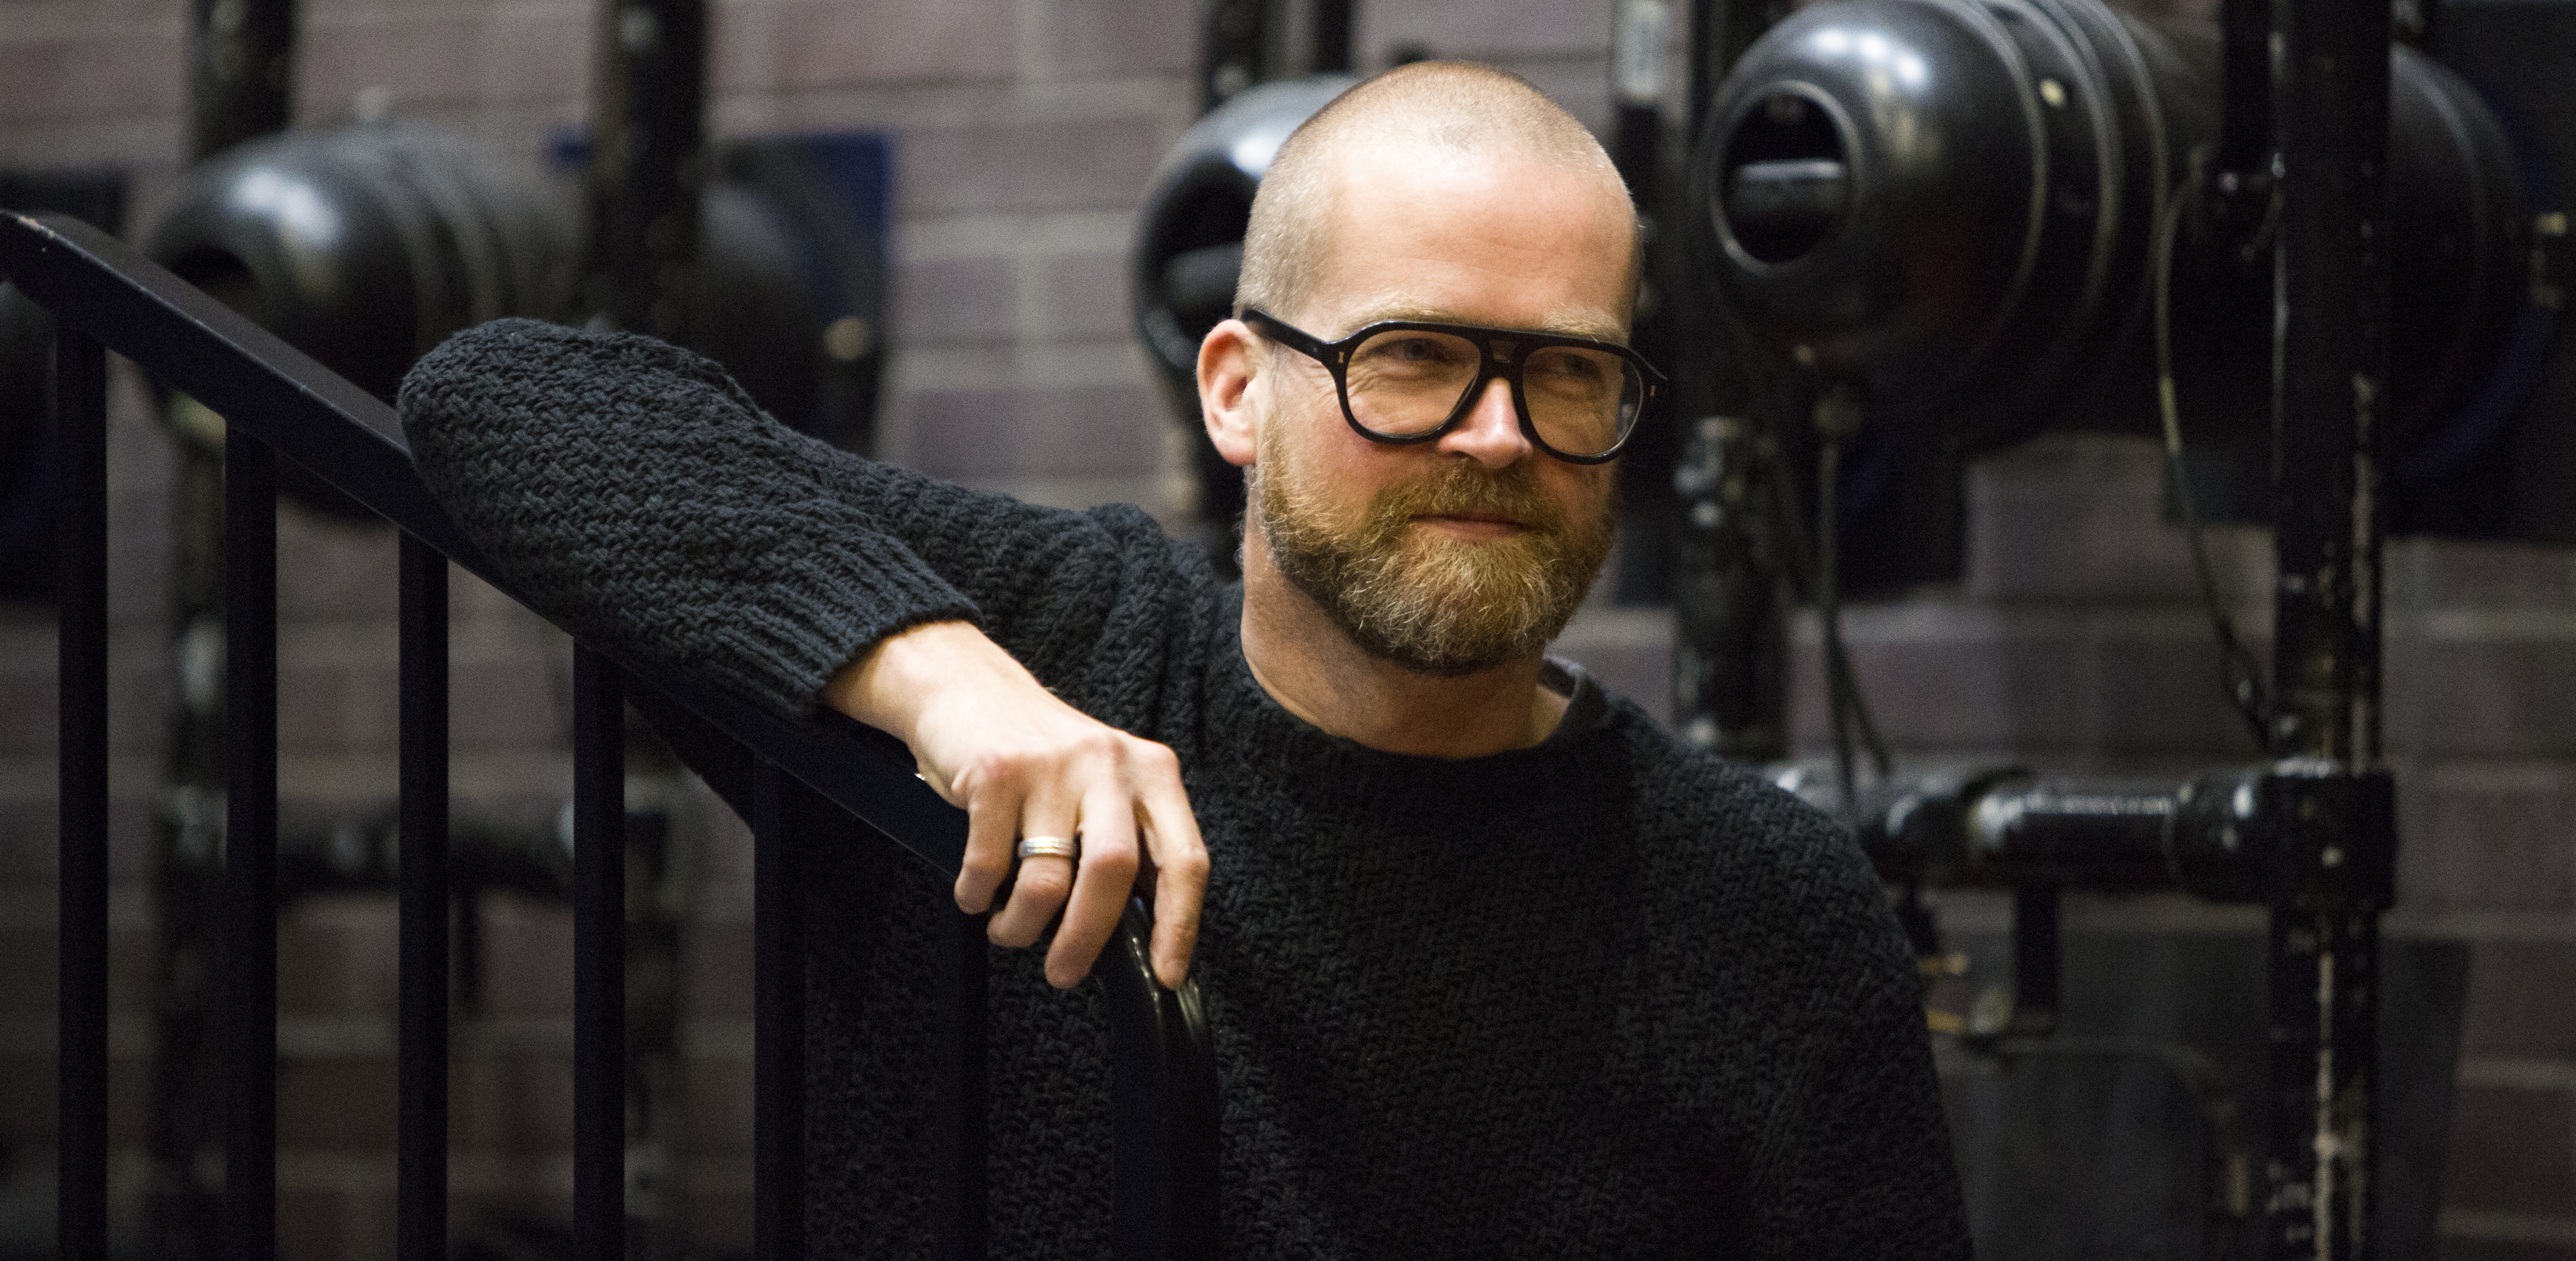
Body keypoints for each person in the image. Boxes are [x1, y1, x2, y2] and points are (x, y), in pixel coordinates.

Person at [398, 61, 1970, 1257]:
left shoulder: (1762, 906)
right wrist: (953, 694)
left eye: (1565, 373)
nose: (1495, 436)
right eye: (1409, 356)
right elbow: (500, 397)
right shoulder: (1049, 645)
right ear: (1235, 391)